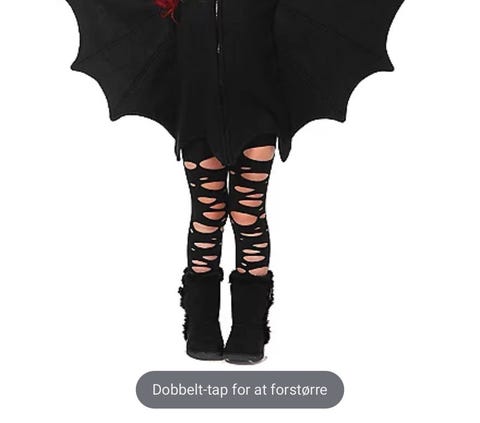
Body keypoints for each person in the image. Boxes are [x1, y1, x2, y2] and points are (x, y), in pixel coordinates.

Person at [65, 0, 405, 364]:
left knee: (247, 212)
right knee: (207, 212)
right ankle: (201, 322)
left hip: (259, 102)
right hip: (196, 101)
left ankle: (249, 326)